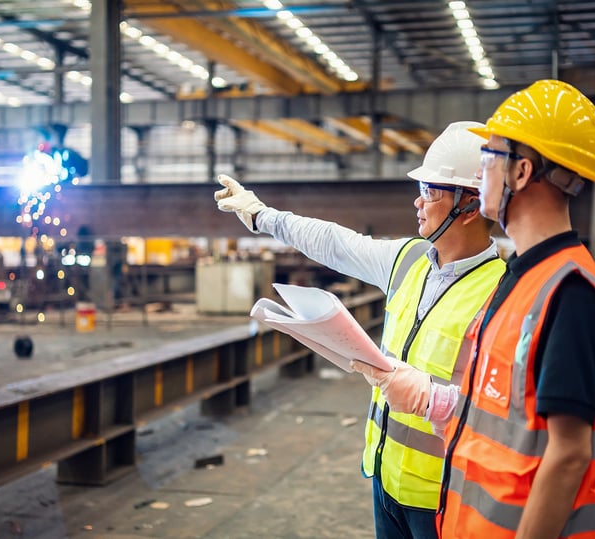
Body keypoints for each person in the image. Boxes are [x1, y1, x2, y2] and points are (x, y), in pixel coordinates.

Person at [353, 80, 595, 539]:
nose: (480, 175)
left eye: (488, 158)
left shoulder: (569, 293)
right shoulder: (519, 276)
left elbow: (569, 455)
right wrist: (434, 401)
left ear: (520, 172)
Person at [214, 121, 506, 539]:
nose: (417, 203)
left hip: (447, 496)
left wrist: (431, 398)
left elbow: (508, 411)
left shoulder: (503, 292)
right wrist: (261, 215)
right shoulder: (407, 260)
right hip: (384, 477)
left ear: (470, 206)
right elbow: (335, 242)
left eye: (430, 191)